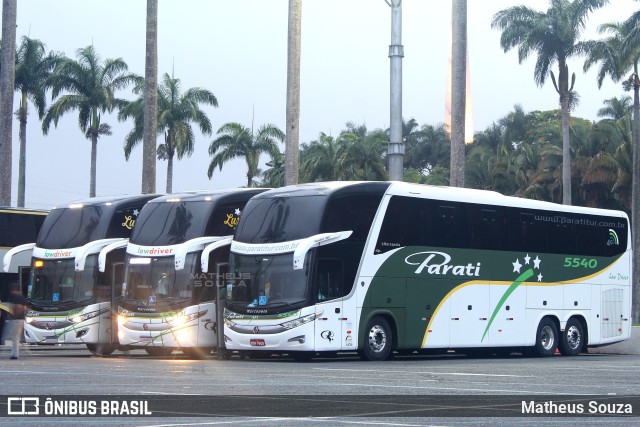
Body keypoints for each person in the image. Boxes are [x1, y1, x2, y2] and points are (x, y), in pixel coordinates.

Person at [3, 283, 27, 360]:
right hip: (21, 319)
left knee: (6, 335)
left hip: (15, 319)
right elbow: (24, 308)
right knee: (16, 338)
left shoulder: (15, 297)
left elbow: (18, 307)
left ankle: (11, 352)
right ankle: (15, 354)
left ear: (14, 289)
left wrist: (13, 316)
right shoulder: (23, 297)